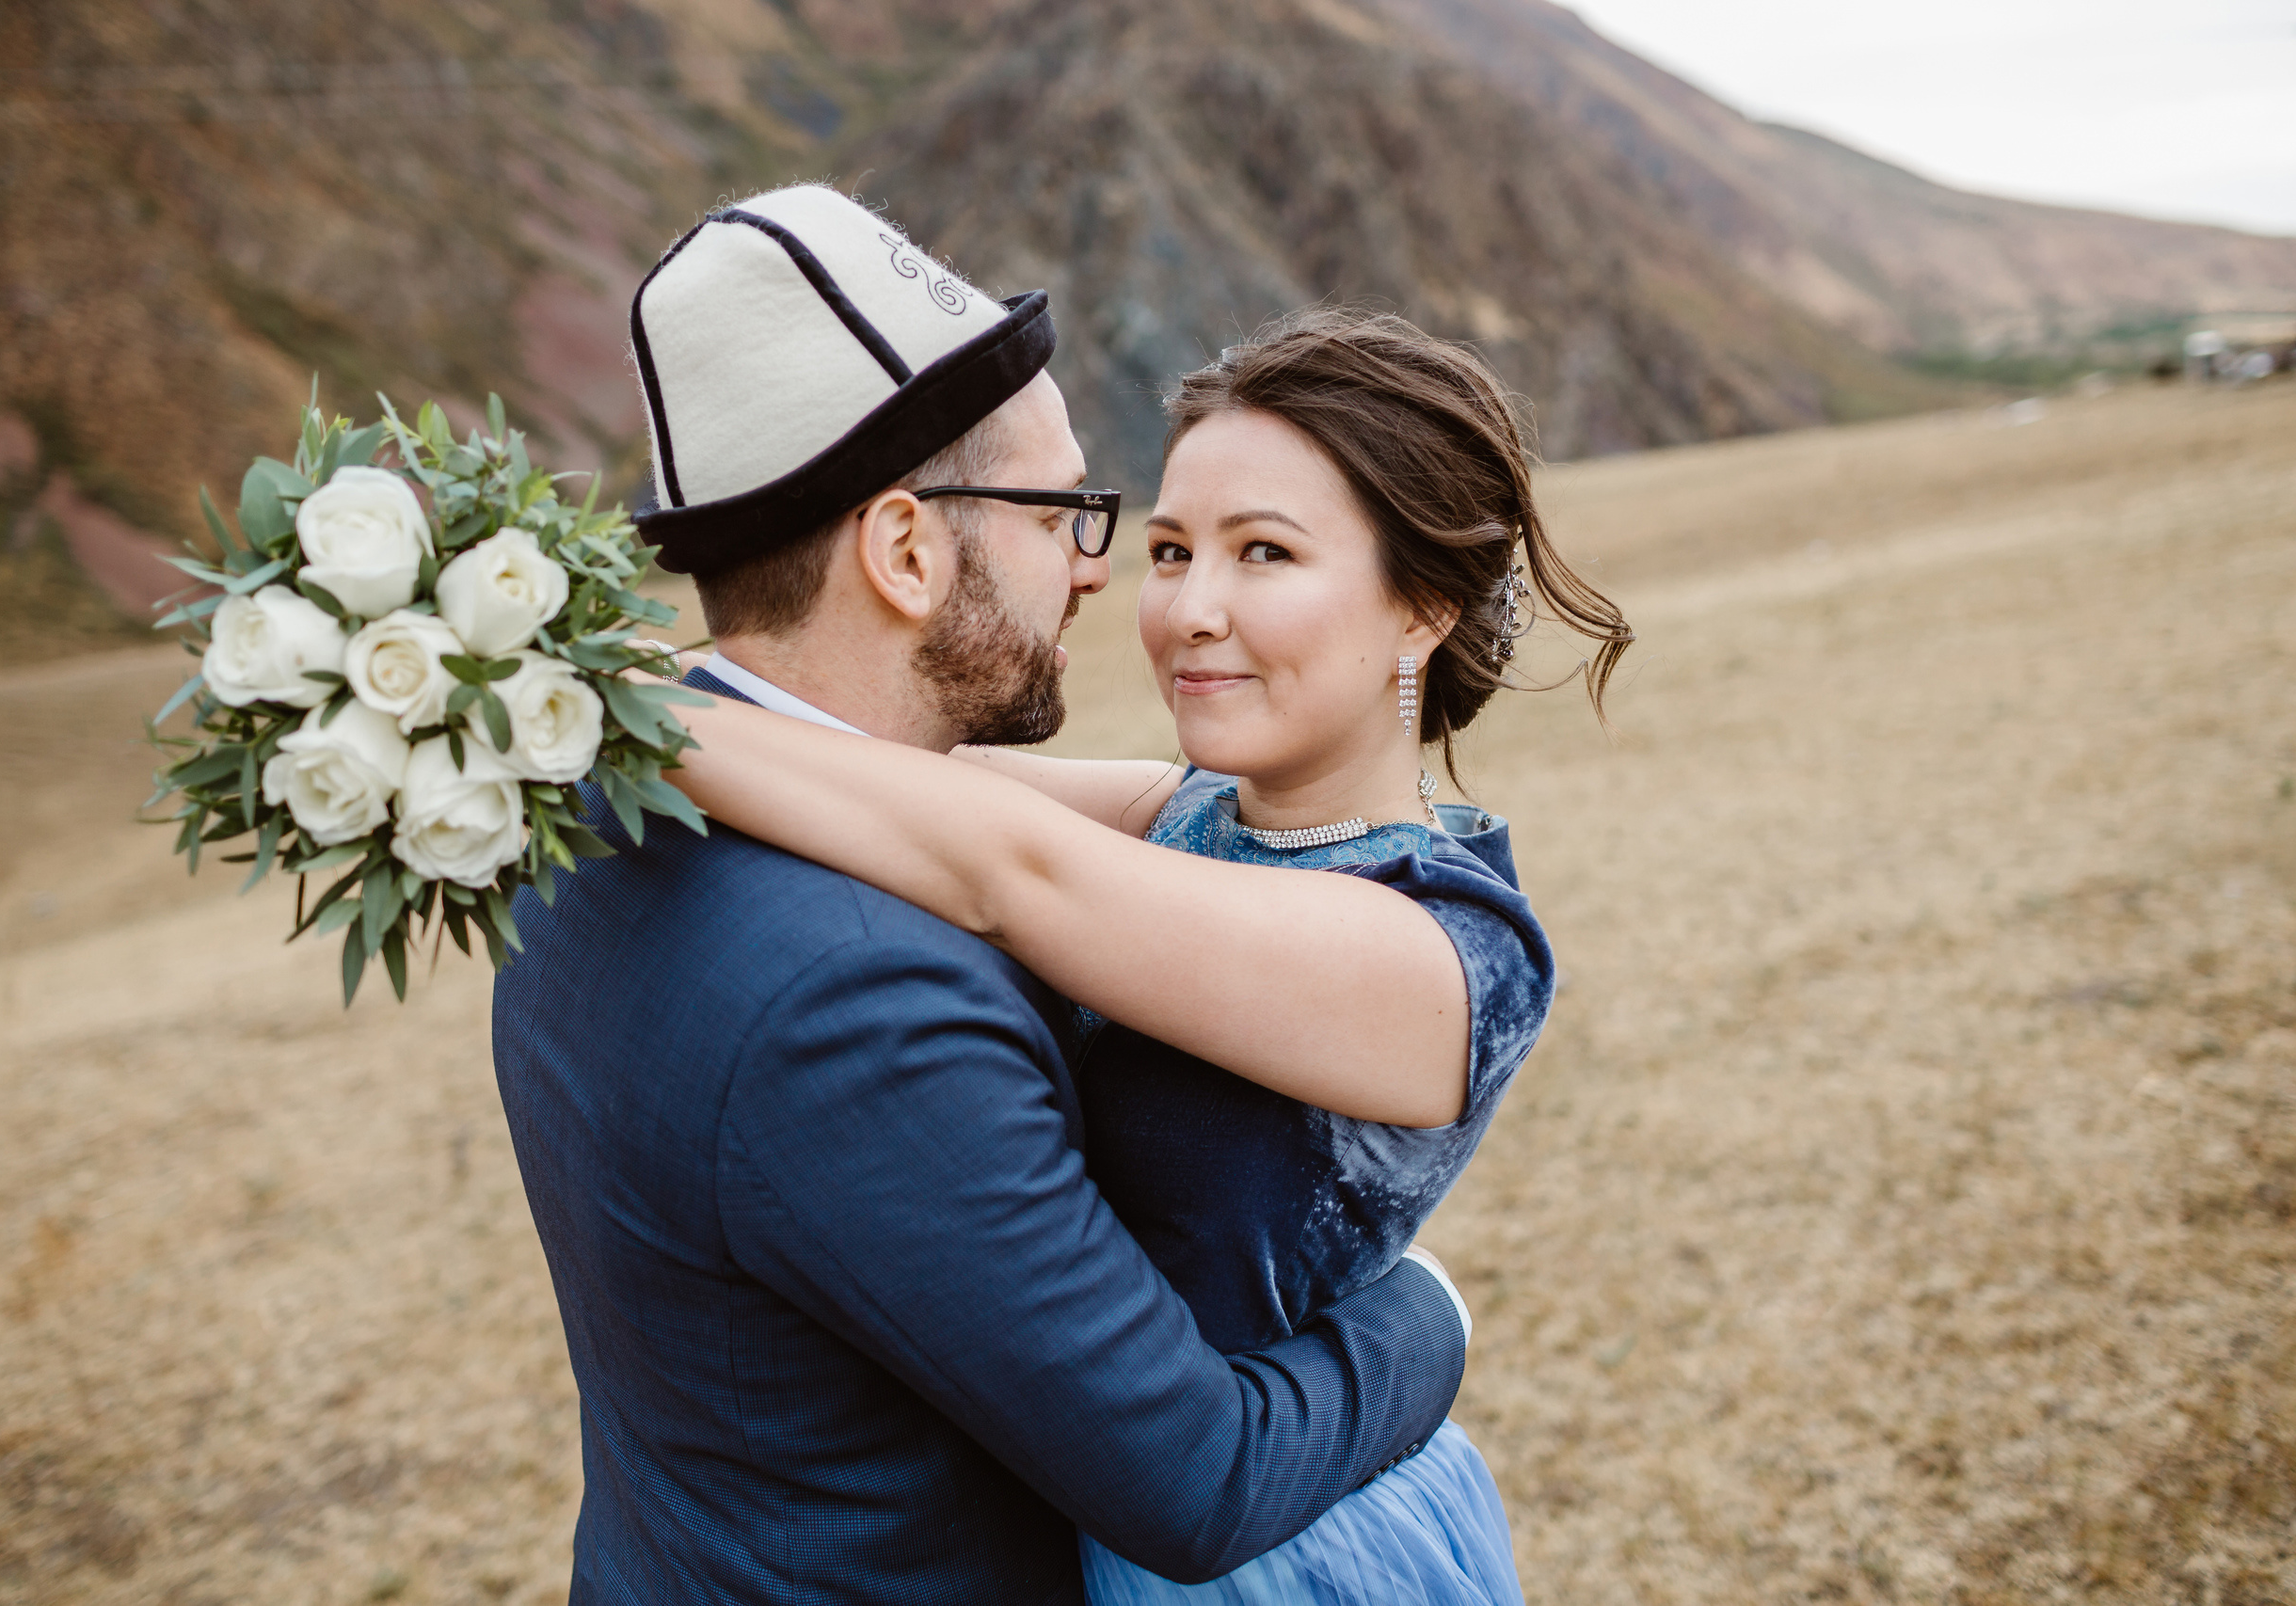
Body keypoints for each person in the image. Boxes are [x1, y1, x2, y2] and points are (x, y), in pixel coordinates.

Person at [492, 187, 1477, 1606]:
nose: (1097, 572)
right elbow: (1194, 1480)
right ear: (905, 551)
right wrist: (1425, 1317)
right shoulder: (854, 999)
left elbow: (1046, 835)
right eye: (1063, 512)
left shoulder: (597, 809)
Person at [639, 308, 1634, 1602]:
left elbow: (1003, 866)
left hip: (1274, 1549)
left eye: (1264, 552)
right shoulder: (1190, 815)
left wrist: (610, 706)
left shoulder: (1441, 957)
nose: (1189, 610)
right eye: (1171, 549)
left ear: (1421, 610)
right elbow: (898, 773)